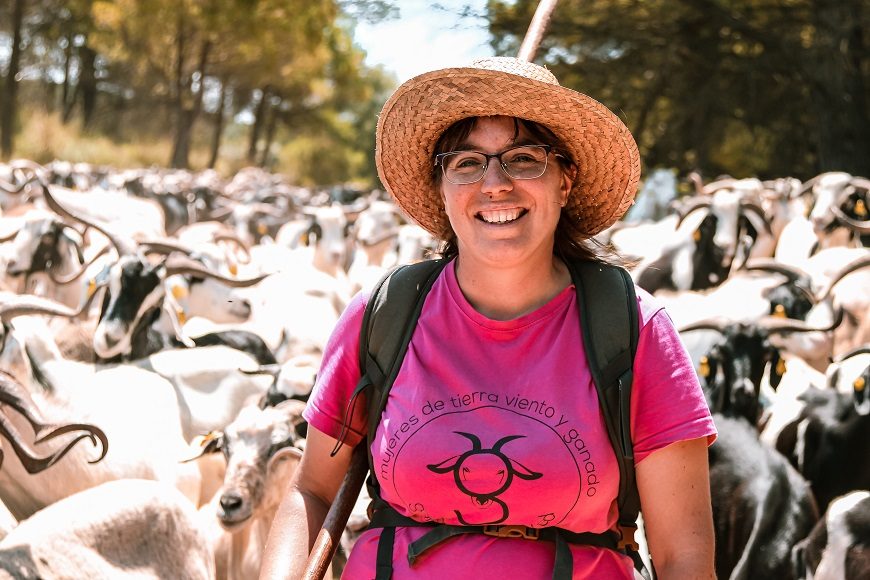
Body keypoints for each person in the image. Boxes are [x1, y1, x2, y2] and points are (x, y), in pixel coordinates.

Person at [261, 57, 716, 580]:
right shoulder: (384, 314)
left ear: (565, 182)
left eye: (524, 159)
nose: (495, 183)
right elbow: (312, 490)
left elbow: (683, 554)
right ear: (443, 189)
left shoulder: (634, 329)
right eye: (467, 163)